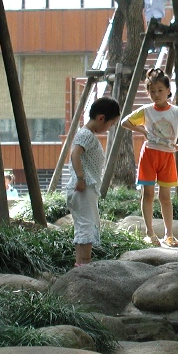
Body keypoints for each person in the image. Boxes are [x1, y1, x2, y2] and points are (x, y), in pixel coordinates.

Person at [121, 68, 178, 247]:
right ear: (148, 92)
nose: (156, 94)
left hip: (167, 157)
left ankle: (169, 234)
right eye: (152, 91)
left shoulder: (177, 112)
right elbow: (125, 122)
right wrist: (140, 129)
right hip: (149, 155)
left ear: (168, 91)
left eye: (160, 90)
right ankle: (149, 233)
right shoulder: (147, 110)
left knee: (165, 197)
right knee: (147, 194)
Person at [65, 96, 121, 267]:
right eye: (111, 124)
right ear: (101, 118)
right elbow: (75, 154)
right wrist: (81, 178)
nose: (110, 128)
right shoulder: (87, 135)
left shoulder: (84, 134)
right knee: (87, 226)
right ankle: (86, 264)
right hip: (84, 186)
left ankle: (79, 263)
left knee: (83, 225)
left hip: (84, 187)